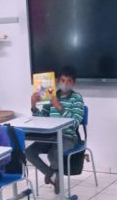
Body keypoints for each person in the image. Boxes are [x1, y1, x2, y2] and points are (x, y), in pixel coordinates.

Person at [25, 65, 84, 193]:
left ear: (73, 83)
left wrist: (59, 107)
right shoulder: (51, 95)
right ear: (58, 81)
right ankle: (52, 174)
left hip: (68, 137)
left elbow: (75, 123)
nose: (65, 83)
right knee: (29, 152)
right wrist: (33, 106)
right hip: (50, 136)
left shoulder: (77, 98)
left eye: (69, 81)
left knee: (53, 153)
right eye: (63, 80)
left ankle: (56, 179)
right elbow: (42, 118)